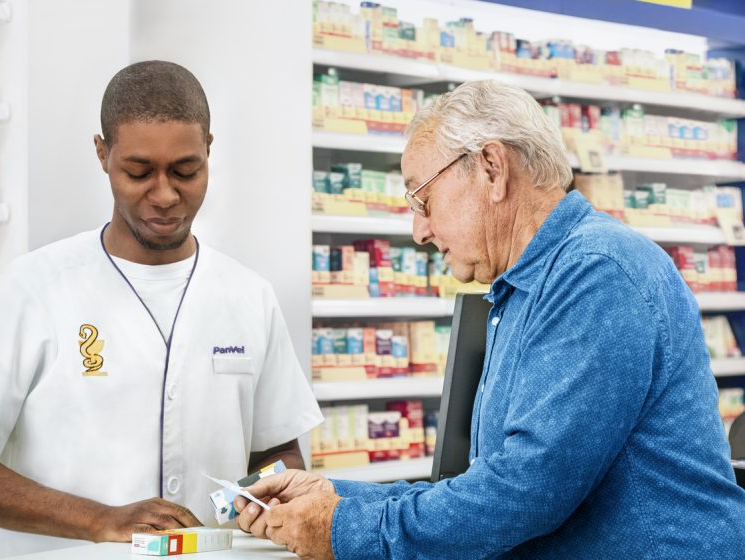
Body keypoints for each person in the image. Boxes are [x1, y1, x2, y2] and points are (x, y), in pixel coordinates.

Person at [235, 80, 745, 559]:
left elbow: (527, 492)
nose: (420, 231)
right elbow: (488, 482)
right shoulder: (525, 286)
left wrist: (342, 528)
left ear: (492, 169)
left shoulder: (597, 272)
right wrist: (334, 495)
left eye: (422, 199)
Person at [0, 61, 322, 559]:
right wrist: (100, 521)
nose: (164, 195)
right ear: (102, 154)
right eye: (138, 172)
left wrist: (262, 497)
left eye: (186, 170)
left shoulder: (249, 296)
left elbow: (276, 453)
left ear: (209, 152)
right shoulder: (31, 289)